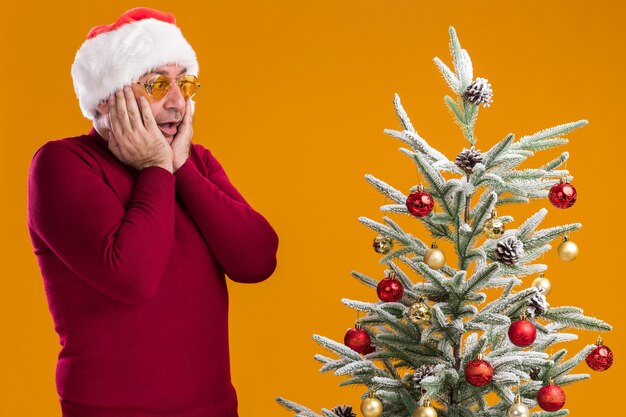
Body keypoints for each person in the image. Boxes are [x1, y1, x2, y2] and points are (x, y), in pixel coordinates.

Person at [26, 7, 279, 417]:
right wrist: (157, 167)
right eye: (158, 83)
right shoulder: (62, 163)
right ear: (109, 96)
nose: (178, 103)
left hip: (213, 407)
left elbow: (258, 260)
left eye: (186, 83)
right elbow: (132, 277)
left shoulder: (195, 161)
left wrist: (181, 168)